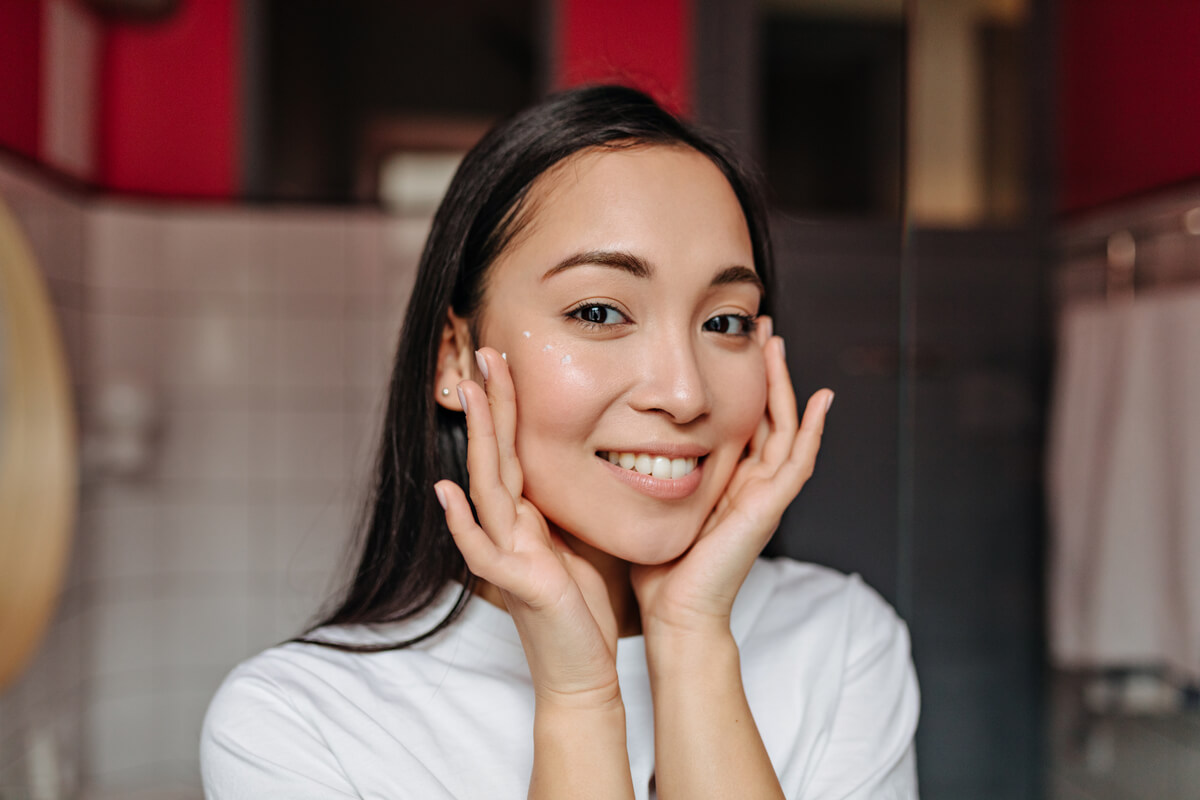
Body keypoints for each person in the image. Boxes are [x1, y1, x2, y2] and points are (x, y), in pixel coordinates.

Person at [200, 85, 919, 799]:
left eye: (725, 321)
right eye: (599, 311)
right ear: (454, 358)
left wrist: (693, 639)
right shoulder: (301, 725)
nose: (685, 394)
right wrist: (580, 701)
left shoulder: (841, 644)